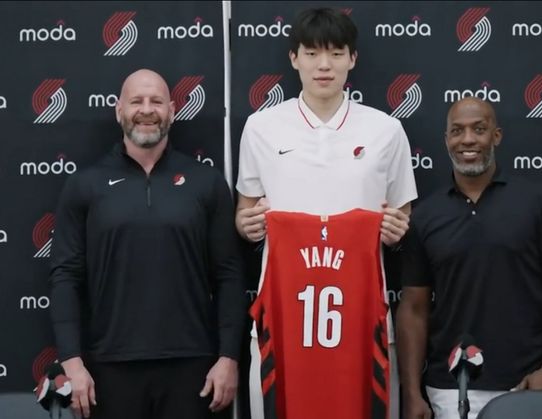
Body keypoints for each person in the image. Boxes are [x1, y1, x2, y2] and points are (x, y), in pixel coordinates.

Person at [235, 7, 417, 419]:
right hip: (283, 314)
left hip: (360, 314)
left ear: (352, 59)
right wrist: (246, 225)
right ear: (294, 58)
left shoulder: (386, 130)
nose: (324, 65)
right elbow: (246, 214)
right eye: (313, 53)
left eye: (336, 54)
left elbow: (401, 217)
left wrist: (396, 230)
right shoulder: (261, 128)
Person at [49, 69, 245, 419]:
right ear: (118, 110)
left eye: (156, 101)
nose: (146, 109)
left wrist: (228, 357)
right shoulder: (85, 185)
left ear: (172, 110)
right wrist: (72, 362)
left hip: (193, 368)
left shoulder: (206, 182)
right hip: (108, 368)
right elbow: (65, 276)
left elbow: (229, 275)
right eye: (136, 101)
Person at [396, 97, 542, 419]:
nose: (468, 139)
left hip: (527, 384)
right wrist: (411, 393)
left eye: (478, 129)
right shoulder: (424, 217)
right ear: (446, 140)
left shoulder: (537, 203)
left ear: (496, 136)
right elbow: (413, 309)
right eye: (457, 131)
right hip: (451, 388)